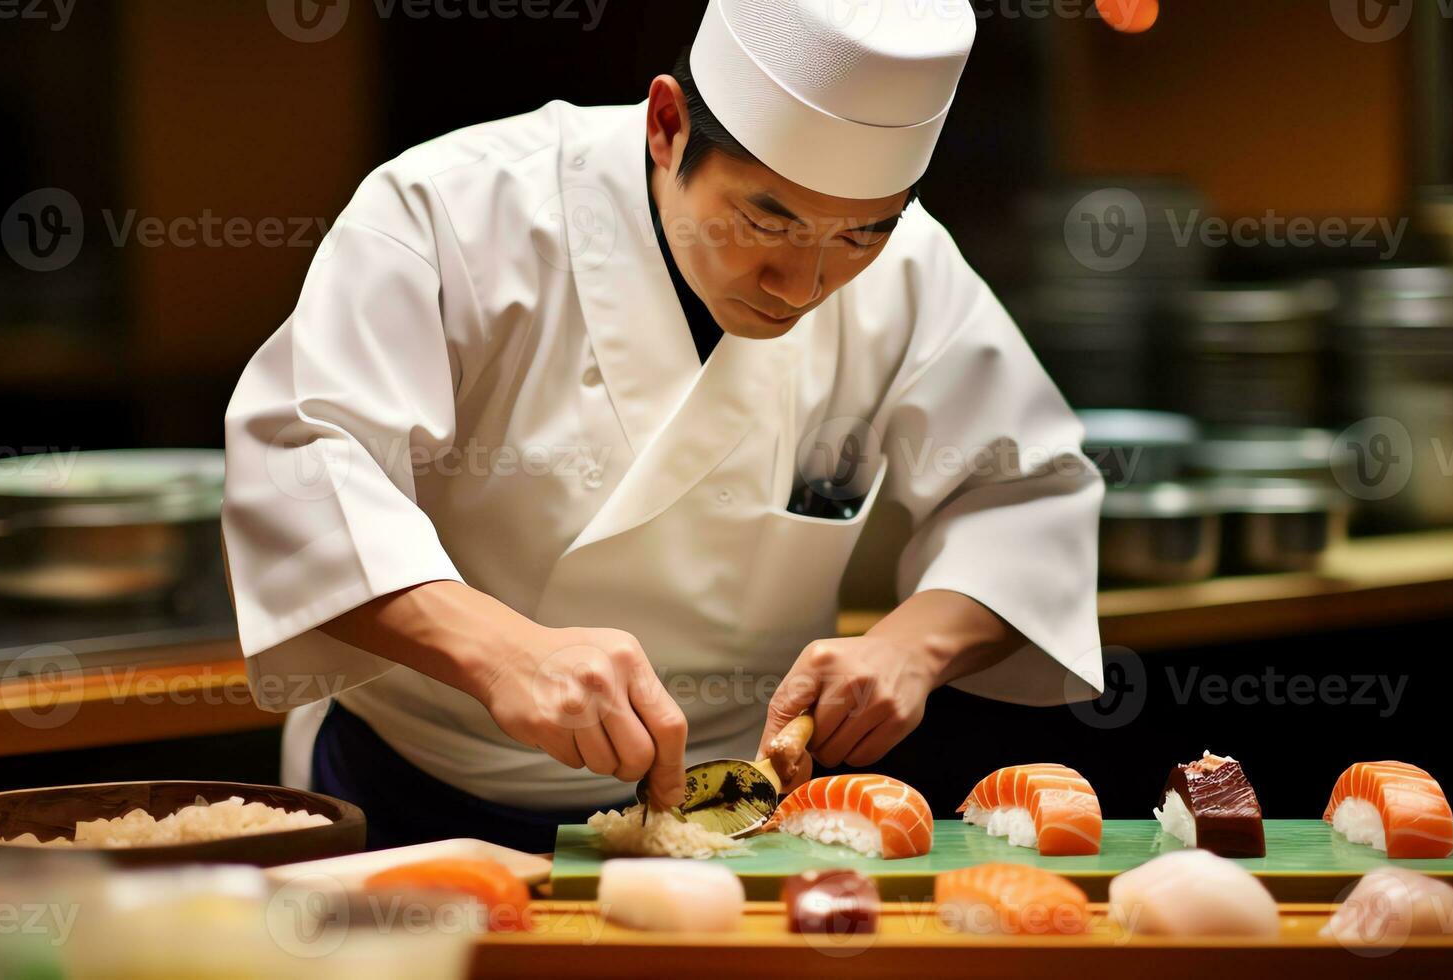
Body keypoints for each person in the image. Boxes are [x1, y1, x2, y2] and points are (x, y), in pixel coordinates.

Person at [222, 0, 1103, 852]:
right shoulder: (452, 210)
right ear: (667, 125)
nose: (800, 286)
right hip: (417, 784)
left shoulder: (913, 266)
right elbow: (305, 465)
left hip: (724, 819)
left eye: (860, 235)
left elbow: (1024, 493)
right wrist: (500, 655)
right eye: (768, 218)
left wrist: (915, 647)